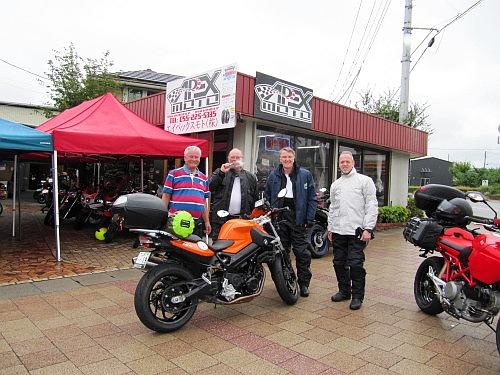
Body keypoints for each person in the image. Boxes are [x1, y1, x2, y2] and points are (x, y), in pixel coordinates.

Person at [327, 151, 378, 310]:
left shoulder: (365, 181)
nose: (344, 164)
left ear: (353, 163)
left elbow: (371, 205)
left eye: (347, 161)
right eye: (342, 162)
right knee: (338, 263)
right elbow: (333, 208)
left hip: (357, 232)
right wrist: (330, 228)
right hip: (338, 231)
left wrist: (368, 228)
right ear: (339, 164)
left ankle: (357, 296)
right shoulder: (336, 185)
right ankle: (344, 291)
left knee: (356, 264)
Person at [265, 147, 317, 297]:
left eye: (289, 157)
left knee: (302, 253)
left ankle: (304, 283)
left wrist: (309, 218)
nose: (287, 159)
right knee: (282, 252)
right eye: (284, 157)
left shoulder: (305, 174)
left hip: (298, 218)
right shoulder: (273, 176)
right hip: (279, 218)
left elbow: (312, 198)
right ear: (280, 159)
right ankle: (286, 280)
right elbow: (267, 196)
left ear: (294, 158)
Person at [162, 145, 211, 238]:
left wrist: (207, 221)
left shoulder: (204, 178)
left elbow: (203, 202)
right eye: (191, 156)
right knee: (176, 250)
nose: (194, 159)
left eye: (196, 157)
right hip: (176, 221)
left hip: (196, 223)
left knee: (195, 250)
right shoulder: (173, 174)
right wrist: (164, 215)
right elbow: (166, 196)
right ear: (185, 158)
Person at [209, 148, 258, 239]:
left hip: (241, 220)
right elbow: (210, 187)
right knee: (219, 246)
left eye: (238, 157)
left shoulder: (250, 177)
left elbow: (255, 199)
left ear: (242, 159)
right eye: (232, 157)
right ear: (228, 159)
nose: (235, 160)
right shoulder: (220, 172)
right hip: (221, 220)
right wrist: (221, 172)